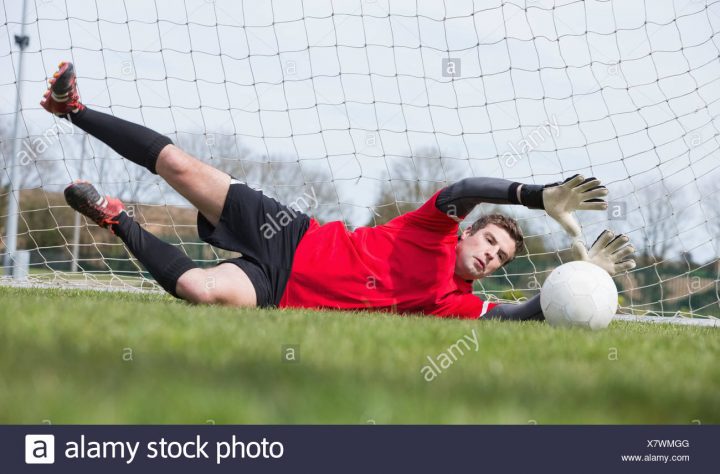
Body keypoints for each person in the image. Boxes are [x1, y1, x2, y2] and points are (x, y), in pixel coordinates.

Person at [41, 62, 637, 320]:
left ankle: (116, 218)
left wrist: (580, 284)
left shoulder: (451, 302)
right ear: (467, 230)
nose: (490, 256)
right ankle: (76, 109)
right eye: (488, 241)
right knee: (179, 166)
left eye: (500, 258)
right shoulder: (429, 228)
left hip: (275, 291)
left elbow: (518, 314)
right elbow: (465, 186)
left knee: (201, 290)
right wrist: (535, 196)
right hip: (288, 233)